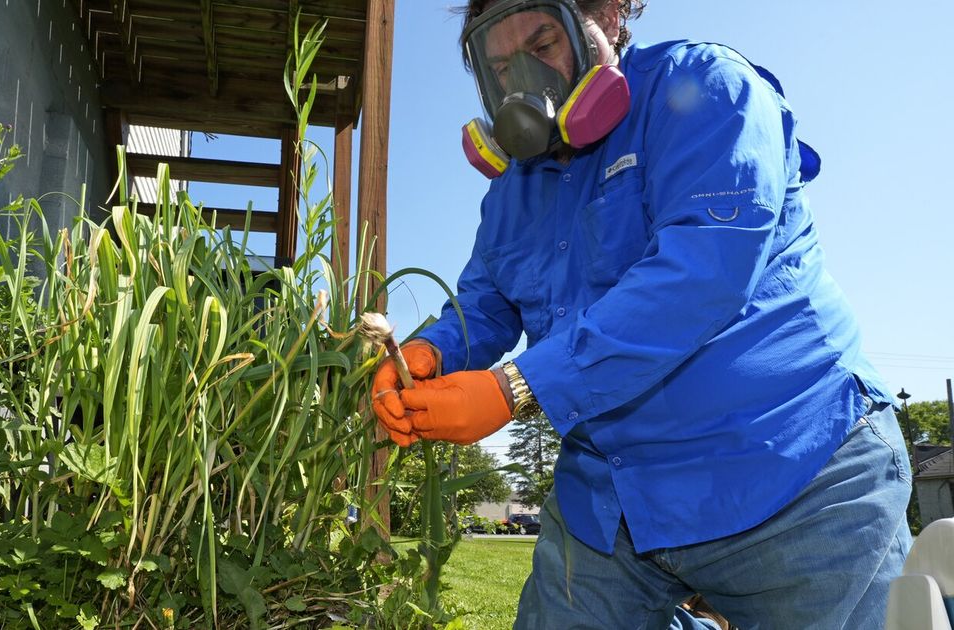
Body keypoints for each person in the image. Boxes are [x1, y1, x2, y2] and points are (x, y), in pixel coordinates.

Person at [371, 1, 913, 628]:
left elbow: (700, 273)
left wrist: (517, 388)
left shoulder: (708, 89)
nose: (523, 82)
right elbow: (487, 302)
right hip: (612, 499)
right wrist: (430, 351)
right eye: (500, 69)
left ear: (607, 15)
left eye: (542, 46)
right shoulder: (512, 189)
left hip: (794, 473)